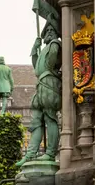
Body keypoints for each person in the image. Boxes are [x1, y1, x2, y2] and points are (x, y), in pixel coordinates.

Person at [16, 18, 62, 167]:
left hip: (49, 82)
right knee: (36, 121)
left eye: (51, 30)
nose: (48, 33)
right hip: (41, 82)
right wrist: (34, 51)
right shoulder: (44, 49)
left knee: (50, 117)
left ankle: (50, 153)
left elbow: (52, 58)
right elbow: (37, 69)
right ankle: (30, 154)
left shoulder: (55, 44)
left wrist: (49, 68)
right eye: (46, 31)